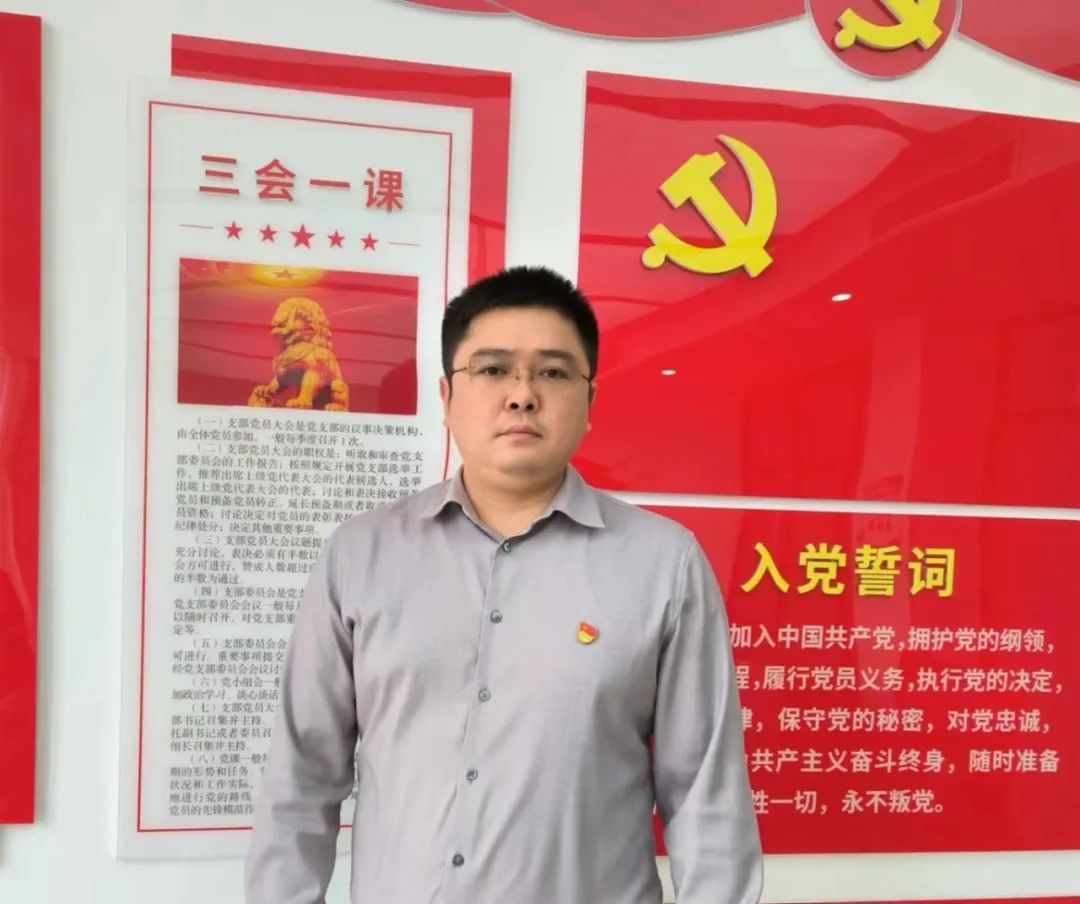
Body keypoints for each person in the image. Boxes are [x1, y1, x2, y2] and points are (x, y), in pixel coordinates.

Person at [245, 266, 762, 903]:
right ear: (447, 396)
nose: (522, 395)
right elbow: (301, 778)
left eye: (553, 373)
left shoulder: (664, 563)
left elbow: (707, 795)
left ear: (590, 401)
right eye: (492, 369)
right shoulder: (359, 555)